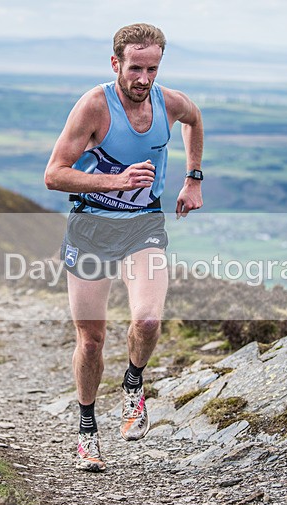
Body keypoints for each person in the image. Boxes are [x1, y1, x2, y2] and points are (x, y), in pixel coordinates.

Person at [44, 22, 204, 472]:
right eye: (135, 68)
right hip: (91, 229)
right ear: (116, 63)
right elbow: (54, 174)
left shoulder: (167, 102)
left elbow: (194, 119)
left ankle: (133, 384)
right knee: (92, 341)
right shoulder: (94, 107)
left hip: (143, 225)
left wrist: (193, 179)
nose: (144, 79)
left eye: (152, 68)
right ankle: (87, 429)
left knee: (149, 319)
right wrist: (113, 181)